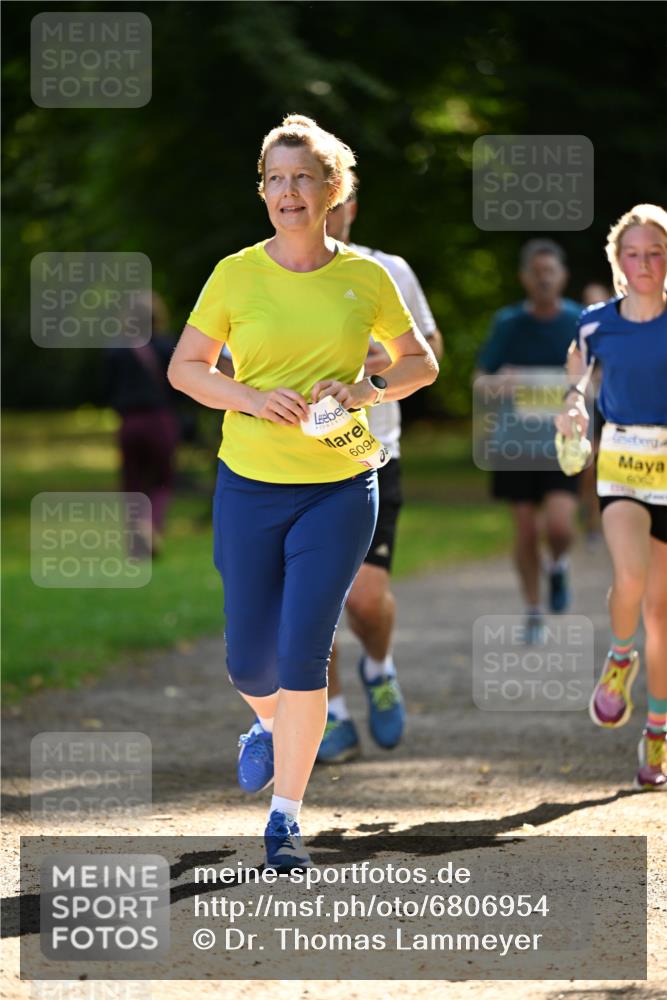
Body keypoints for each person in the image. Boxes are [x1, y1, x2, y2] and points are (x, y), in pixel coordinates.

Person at [167, 114, 438, 869]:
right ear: (263, 192)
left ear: (332, 190)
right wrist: (249, 398)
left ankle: (286, 817)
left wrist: (362, 389)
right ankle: (266, 726)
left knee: (303, 652)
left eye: (303, 179)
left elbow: (421, 365)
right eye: (275, 180)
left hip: (342, 486)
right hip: (249, 483)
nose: (289, 192)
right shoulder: (233, 274)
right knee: (248, 663)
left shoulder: (366, 277)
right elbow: (186, 368)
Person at [314, 189, 443, 763]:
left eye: (333, 199)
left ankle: (380, 667)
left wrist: (369, 363)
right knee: (315, 600)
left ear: (349, 206)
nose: (323, 210)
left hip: (373, 451)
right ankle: (333, 713)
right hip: (296, 459)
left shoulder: (387, 270)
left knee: (366, 600)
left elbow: (431, 349)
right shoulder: (270, 273)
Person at [556, 204, 667, 790]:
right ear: (616, 261)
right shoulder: (597, 321)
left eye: (655, 253)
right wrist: (574, 403)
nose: (644, 264)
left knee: (663, 613)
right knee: (629, 579)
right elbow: (578, 372)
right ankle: (621, 657)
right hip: (622, 468)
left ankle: (657, 730)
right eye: (634, 253)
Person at [475, 240, 582, 642]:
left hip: (562, 443)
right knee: (523, 531)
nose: (543, 279)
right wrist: (497, 383)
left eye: (550, 271)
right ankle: (534, 609)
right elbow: (480, 380)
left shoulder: (578, 322)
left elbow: (600, 379)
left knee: (558, 525)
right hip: (514, 444)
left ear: (562, 276)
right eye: (536, 272)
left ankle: (559, 564)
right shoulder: (508, 324)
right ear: (524, 278)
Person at [104, 291, 180, 556]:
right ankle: (150, 528)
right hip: (159, 420)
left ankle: (136, 540)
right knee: (163, 480)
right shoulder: (165, 346)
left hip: (128, 422)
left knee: (132, 483)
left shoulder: (116, 350)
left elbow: (108, 388)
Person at [579, 282, 613, 547]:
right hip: (588, 412)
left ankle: (600, 523)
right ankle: (590, 522)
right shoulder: (581, 335)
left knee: (605, 469)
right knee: (589, 468)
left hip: (611, 413)